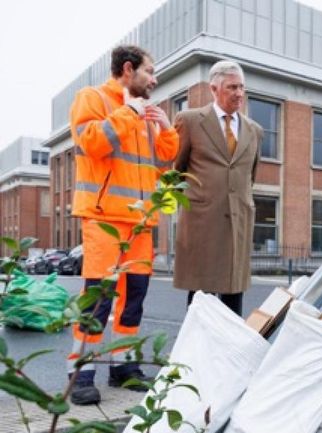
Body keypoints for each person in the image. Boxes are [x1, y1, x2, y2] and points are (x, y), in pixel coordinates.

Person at [68, 45, 179, 405]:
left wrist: (165, 129)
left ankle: (123, 368)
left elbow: (162, 160)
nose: (155, 78)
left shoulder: (143, 112)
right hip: (104, 219)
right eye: (150, 71)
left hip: (141, 223)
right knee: (98, 301)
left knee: (133, 302)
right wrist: (128, 112)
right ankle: (81, 373)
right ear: (128, 70)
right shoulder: (93, 98)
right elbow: (91, 143)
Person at [173, 60, 262, 316]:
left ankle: (228, 353)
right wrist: (197, 200)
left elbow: (248, 178)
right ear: (214, 89)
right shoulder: (189, 121)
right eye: (232, 87)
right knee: (202, 298)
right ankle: (195, 354)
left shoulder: (254, 130)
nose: (239, 94)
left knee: (234, 296)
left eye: (242, 87)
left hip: (238, 222)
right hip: (203, 223)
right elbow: (175, 172)